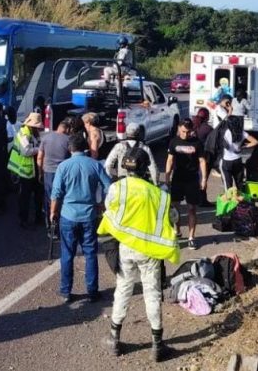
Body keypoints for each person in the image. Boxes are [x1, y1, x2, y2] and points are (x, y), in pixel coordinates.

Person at [99, 148, 179, 363]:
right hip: (150, 252)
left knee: (123, 290)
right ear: (145, 168)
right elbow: (172, 217)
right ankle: (157, 345)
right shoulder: (159, 195)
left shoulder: (117, 188)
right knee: (152, 294)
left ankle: (114, 338)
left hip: (125, 248)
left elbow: (109, 209)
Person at [50, 134, 112, 303]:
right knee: (90, 253)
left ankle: (65, 291)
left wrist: (53, 212)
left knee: (67, 254)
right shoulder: (94, 165)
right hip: (89, 215)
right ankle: (92, 291)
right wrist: (102, 204)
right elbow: (109, 186)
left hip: (68, 215)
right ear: (85, 147)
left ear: (70, 148)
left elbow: (56, 193)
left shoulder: (63, 166)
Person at [164, 119, 207, 250]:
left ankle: (191, 238)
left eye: (188, 132)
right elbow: (170, 160)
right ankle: (177, 231)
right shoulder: (174, 141)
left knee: (191, 208)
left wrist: (204, 179)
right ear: (179, 128)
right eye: (183, 131)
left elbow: (202, 161)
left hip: (192, 179)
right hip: (178, 178)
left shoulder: (197, 143)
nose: (185, 134)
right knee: (175, 208)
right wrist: (167, 177)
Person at [8, 112, 44, 229]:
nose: (38, 129)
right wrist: (40, 149)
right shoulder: (23, 134)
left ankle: (38, 217)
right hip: (25, 171)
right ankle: (23, 220)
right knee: (25, 197)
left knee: (38, 195)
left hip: (33, 169)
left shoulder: (33, 133)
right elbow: (26, 151)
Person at [37, 119, 71, 229]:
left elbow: (39, 157)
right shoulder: (68, 140)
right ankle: (62, 224)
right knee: (62, 198)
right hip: (63, 173)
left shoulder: (45, 138)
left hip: (48, 173)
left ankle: (50, 225)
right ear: (67, 129)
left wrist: (40, 173)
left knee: (49, 198)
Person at [219, 116, 258, 191]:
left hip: (227, 160)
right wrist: (244, 146)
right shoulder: (242, 132)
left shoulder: (226, 132)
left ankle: (230, 197)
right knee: (239, 183)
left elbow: (224, 145)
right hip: (238, 159)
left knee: (228, 184)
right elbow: (255, 142)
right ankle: (241, 197)